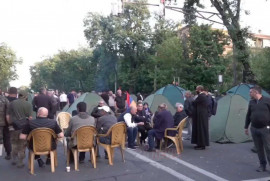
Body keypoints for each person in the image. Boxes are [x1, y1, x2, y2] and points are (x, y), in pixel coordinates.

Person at [244, 86, 270, 172]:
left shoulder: (267, 100)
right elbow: (248, 115)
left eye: (250, 92)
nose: (249, 94)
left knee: (268, 148)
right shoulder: (251, 102)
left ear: (256, 92)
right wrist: (246, 127)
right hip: (254, 128)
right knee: (259, 149)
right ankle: (262, 165)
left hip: (265, 129)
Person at [7, 90, 32, 168]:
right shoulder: (28, 104)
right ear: (25, 96)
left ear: (19, 95)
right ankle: (20, 162)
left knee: (14, 143)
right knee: (22, 145)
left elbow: (8, 116)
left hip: (13, 127)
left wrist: (9, 124)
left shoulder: (11, 103)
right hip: (24, 128)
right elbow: (30, 118)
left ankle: (14, 158)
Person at [191, 85, 209, 150]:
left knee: (201, 130)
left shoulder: (201, 96)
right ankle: (200, 144)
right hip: (202, 115)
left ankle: (201, 144)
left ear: (199, 89)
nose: (196, 90)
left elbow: (194, 102)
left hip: (201, 115)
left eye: (196, 89)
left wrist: (193, 100)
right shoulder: (204, 96)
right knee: (201, 129)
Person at [3, 87, 18, 160]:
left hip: (6, 122)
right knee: (17, 138)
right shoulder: (18, 101)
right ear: (16, 93)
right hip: (17, 123)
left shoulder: (4, 100)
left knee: (7, 138)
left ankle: (8, 153)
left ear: (8, 92)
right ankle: (16, 153)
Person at [0, 93, 9, 158]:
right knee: (6, 138)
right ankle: (8, 153)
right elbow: (8, 110)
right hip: (4, 122)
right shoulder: (4, 99)